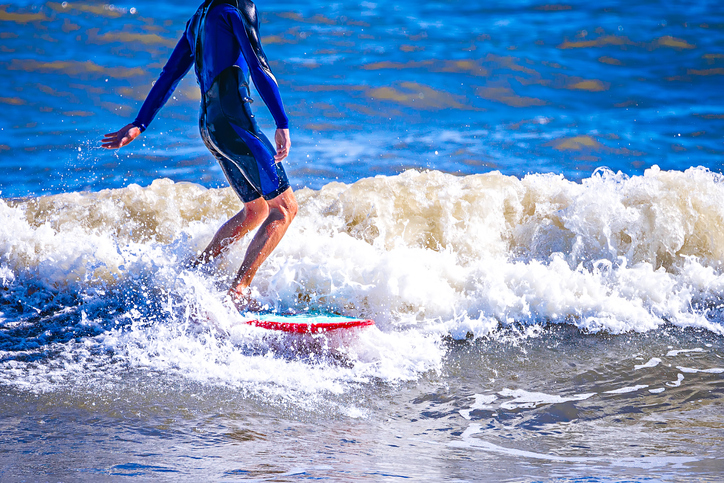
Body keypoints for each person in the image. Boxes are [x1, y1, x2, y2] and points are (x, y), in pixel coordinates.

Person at [101, 0, 297, 310]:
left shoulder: (199, 18)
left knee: (255, 211)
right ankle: (239, 290)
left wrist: (140, 123)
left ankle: (190, 275)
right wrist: (281, 121)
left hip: (211, 129)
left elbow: (169, 75)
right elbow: (258, 65)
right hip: (236, 125)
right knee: (284, 209)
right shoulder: (236, 9)